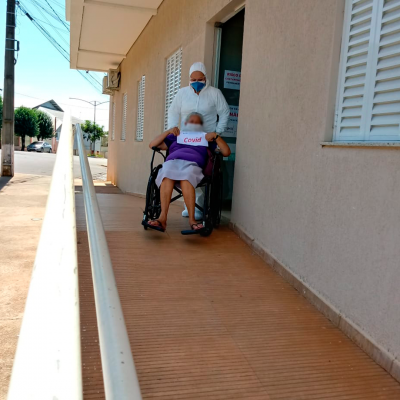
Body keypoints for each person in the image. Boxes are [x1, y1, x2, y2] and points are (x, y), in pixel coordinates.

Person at [146, 112, 231, 232]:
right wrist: (168, 132)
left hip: (193, 164)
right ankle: (162, 219)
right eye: (192, 121)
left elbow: (226, 152)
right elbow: (152, 145)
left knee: (187, 176)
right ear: (185, 124)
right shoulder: (176, 136)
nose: (194, 124)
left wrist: (216, 136)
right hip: (173, 162)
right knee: (166, 173)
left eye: (198, 122)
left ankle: (192, 220)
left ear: (202, 125)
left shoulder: (206, 137)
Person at [167, 61, 230, 220]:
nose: (196, 82)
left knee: (200, 168)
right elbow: (173, 111)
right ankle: (188, 205)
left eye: (199, 79)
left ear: (205, 78)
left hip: (205, 139)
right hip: (186, 139)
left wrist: (217, 132)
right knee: (182, 164)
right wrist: (173, 128)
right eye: (192, 79)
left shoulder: (215, 93)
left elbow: (224, 112)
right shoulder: (182, 93)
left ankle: (198, 207)